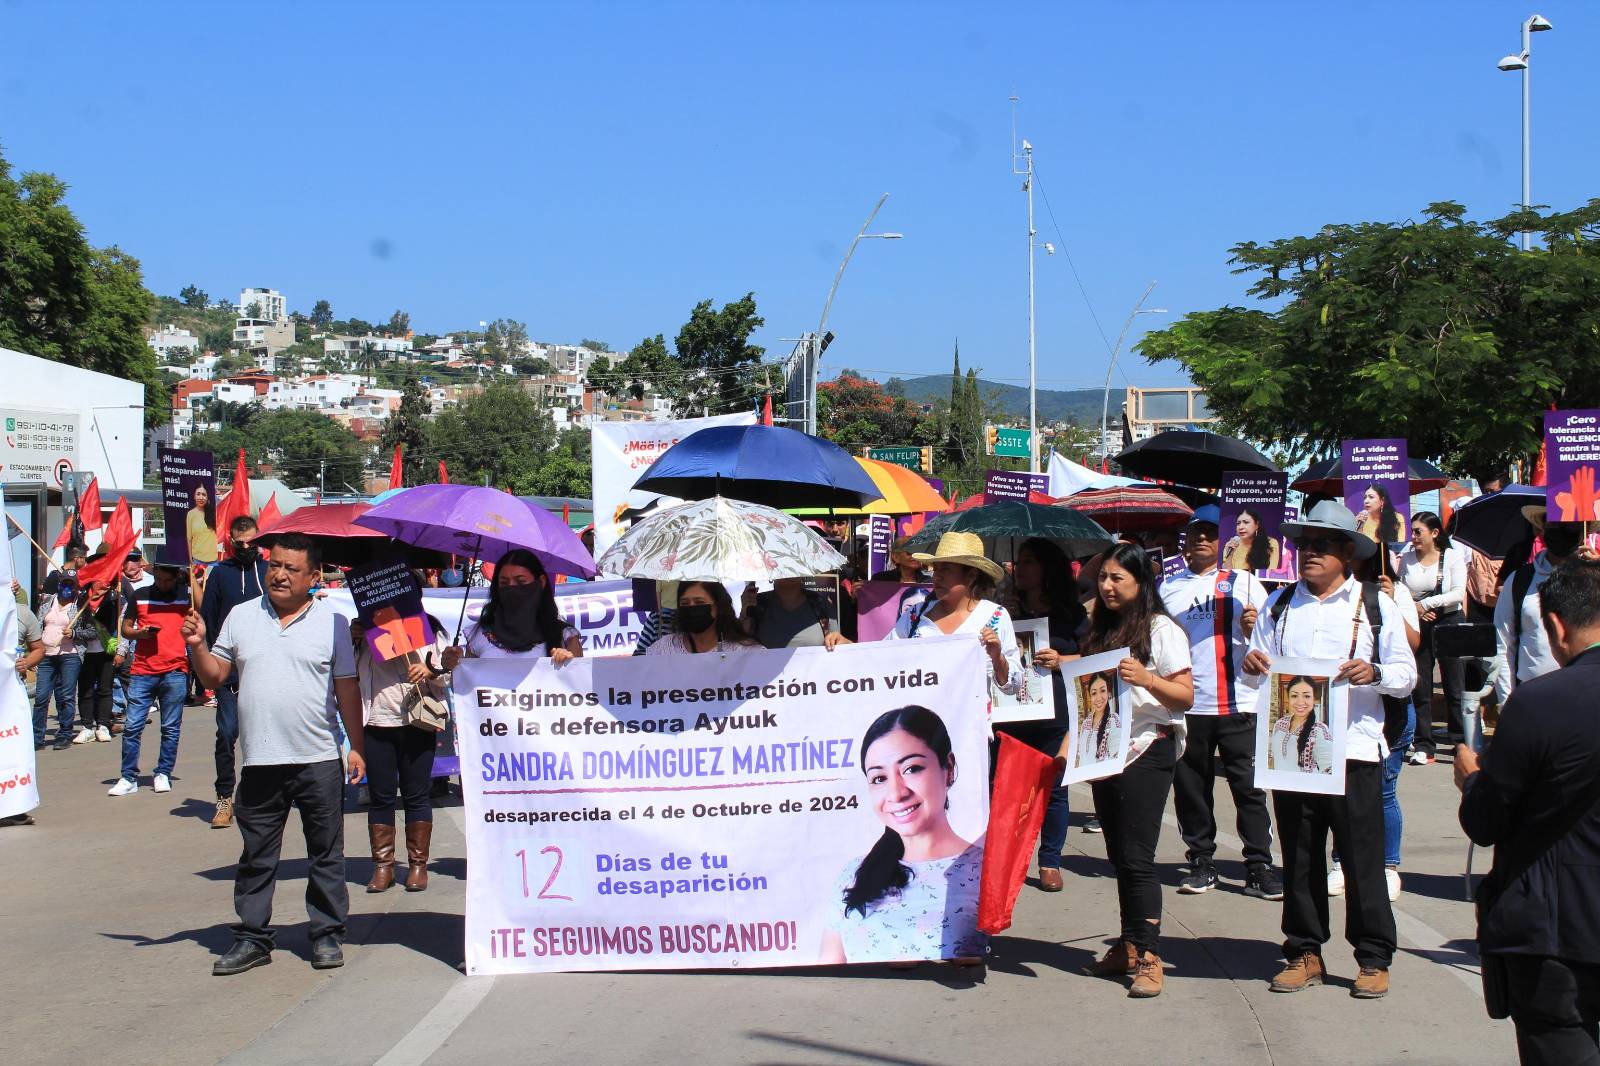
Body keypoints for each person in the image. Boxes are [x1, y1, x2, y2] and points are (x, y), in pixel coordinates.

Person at [1243, 500, 1417, 1000]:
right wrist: (1253, 664)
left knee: (1362, 858)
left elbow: (1407, 678)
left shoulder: (1374, 605)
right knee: (1298, 854)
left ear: (1347, 552)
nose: (1309, 554)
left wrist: (1376, 673)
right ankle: (1303, 950)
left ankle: (1373, 956)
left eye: (1321, 545)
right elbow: (1256, 670)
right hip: (1293, 753)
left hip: (1355, 749)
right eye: (1303, 545)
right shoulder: (1279, 605)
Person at [183, 532, 365, 976]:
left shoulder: (333, 624)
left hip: (318, 758)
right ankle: (252, 937)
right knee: (257, 855)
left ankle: (325, 934)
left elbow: (346, 688)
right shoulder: (242, 617)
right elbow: (214, 677)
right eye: (275, 565)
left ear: (314, 577)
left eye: (291, 568)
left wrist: (355, 746)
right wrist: (197, 646)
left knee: (326, 853)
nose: (279, 574)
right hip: (261, 760)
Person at [1456, 559, 1600, 1064]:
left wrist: (1472, 777)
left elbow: (1486, 821)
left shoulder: (1540, 702)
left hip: (1555, 929)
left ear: (1556, 626)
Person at [1074, 543, 1193, 998]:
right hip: (1106, 751)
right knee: (1119, 855)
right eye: (1102, 577)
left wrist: (1148, 679)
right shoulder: (1100, 627)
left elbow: (1185, 696)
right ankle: (1127, 944)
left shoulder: (1162, 629)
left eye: (1116, 578)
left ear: (1141, 582)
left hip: (1148, 750)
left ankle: (1149, 955)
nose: (1106, 586)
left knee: (1139, 856)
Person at [1160, 505, 1280, 901]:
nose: (1202, 540)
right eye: (1195, 533)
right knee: (1192, 789)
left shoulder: (1247, 583)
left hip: (1240, 700)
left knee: (1249, 789)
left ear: (1223, 539)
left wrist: (1253, 627)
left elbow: (1272, 643)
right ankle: (1201, 860)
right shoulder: (1169, 587)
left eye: (1210, 534)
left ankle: (1259, 865)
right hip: (1190, 704)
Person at [819, 705, 983, 965]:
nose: (896, 793)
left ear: (948, 768)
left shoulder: (984, 869)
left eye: (911, 769)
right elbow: (830, 967)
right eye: (879, 778)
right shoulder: (855, 873)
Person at [996, 536, 1085, 892]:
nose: (1021, 569)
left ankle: (1050, 861)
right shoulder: (1004, 612)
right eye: (1020, 561)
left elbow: (1097, 659)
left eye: (1030, 562)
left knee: (1055, 788)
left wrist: (1063, 661)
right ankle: (1007, 859)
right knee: (1007, 789)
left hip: (1055, 713)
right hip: (1012, 713)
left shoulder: (1071, 614)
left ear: (1048, 569)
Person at [352, 610, 450, 893]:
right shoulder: (361, 629)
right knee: (381, 797)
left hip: (417, 722)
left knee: (416, 794)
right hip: (376, 723)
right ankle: (383, 867)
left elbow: (446, 676)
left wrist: (429, 670)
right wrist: (354, 639)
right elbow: (345, 673)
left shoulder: (429, 628)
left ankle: (418, 866)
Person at [883, 532, 1022, 698]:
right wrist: (847, 646)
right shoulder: (915, 615)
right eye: (936, 569)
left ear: (971, 575)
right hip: (919, 720)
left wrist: (998, 658)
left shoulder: (995, 616)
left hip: (972, 722)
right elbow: (882, 658)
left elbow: (1013, 686)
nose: (937, 576)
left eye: (946, 570)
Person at [199, 516, 268, 828]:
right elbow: (209, 619)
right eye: (239, 543)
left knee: (263, 735)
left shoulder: (267, 572)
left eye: (251, 542)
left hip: (266, 667)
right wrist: (213, 662)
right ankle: (224, 797)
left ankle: (261, 797)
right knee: (227, 733)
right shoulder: (219, 574)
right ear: (230, 542)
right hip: (230, 671)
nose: (245, 547)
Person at [1493, 512, 1593, 712]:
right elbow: (1503, 644)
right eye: (1555, 524)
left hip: (1588, 700)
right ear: (1542, 528)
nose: (1562, 531)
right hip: (1533, 699)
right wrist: (1507, 701)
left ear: (1584, 532)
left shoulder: (1594, 578)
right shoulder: (1519, 581)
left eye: (1570, 526)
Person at [110, 561, 191, 796]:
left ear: (177, 577)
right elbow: (125, 629)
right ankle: (128, 777)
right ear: (154, 574)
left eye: (169, 580)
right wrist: (140, 633)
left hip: (175, 670)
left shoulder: (184, 597)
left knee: (170, 727)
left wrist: (193, 574)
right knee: (132, 727)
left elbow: (202, 600)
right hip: (143, 670)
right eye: (160, 579)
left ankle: (163, 772)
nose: (164, 584)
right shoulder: (141, 595)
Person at [1395, 510, 1466, 764]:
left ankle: (1460, 742)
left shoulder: (1452, 557)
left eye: (1418, 531)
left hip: (1448, 621)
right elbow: (1400, 591)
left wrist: (1427, 604)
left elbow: (1458, 593)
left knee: (1454, 685)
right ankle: (1424, 744)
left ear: (1435, 533)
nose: (1413, 537)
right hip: (1420, 623)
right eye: (1412, 531)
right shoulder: (1407, 559)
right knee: (1421, 684)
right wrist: (1417, 610)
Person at [441, 548, 581, 669]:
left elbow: (580, 687)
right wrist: (453, 663)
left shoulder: (566, 637)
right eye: (504, 582)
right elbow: (469, 688)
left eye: (521, 581)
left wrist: (570, 663)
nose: (512, 588)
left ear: (541, 582)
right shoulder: (479, 635)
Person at [71, 556, 123, 744]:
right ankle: (86, 727)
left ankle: (102, 725)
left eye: (106, 580)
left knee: (105, 689)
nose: (103, 583)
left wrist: (121, 651)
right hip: (83, 653)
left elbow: (121, 627)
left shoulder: (114, 599)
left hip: (106, 652)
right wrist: (76, 631)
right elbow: (75, 623)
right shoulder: (81, 600)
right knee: (84, 690)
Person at [32, 566, 82, 750]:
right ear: (60, 584)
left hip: (70, 656)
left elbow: (91, 631)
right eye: (64, 583)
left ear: (76, 587)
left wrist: (75, 632)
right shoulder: (47, 602)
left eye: (71, 584)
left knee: (66, 696)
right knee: (41, 697)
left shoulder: (80, 605)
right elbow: (37, 625)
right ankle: (37, 737)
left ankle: (64, 734)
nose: (67, 587)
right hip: (46, 655)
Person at [645, 581, 760, 656]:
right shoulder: (662, 650)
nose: (691, 607)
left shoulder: (747, 653)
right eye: (685, 603)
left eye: (699, 602)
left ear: (718, 606)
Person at [742, 577, 844, 650]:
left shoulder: (821, 603)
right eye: (782, 564)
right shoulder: (756, 604)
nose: (788, 571)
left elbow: (838, 647)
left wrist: (844, 642)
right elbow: (740, 644)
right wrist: (744, 611)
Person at [1267, 677, 1333, 772]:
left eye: (1306, 696)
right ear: (1288, 697)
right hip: (1277, 785)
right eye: (1294, 696)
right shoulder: (1279, 724)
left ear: (1314, 699)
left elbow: (1329, 768)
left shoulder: (1319, 730)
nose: (1300, 702)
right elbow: (1274, 759)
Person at [1075, 672, 1121, 766]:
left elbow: (1116, 755)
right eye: (1094, 693)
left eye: (1102, 691)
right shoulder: (1086, 723)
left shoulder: (1113, 720)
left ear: (1108, 692)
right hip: (1084, 778)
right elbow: (1081, 755)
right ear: (1090, 696)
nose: (1098, 698)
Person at [187, 483, 218, 564]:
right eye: (198, 494)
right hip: (197, 560)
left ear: (207, 497)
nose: (201, 497)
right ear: (194, 496)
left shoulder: (215, 513)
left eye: (204, 495)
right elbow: (189, 539)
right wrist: (191, 560)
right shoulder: (190, 514)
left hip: (214, 561)